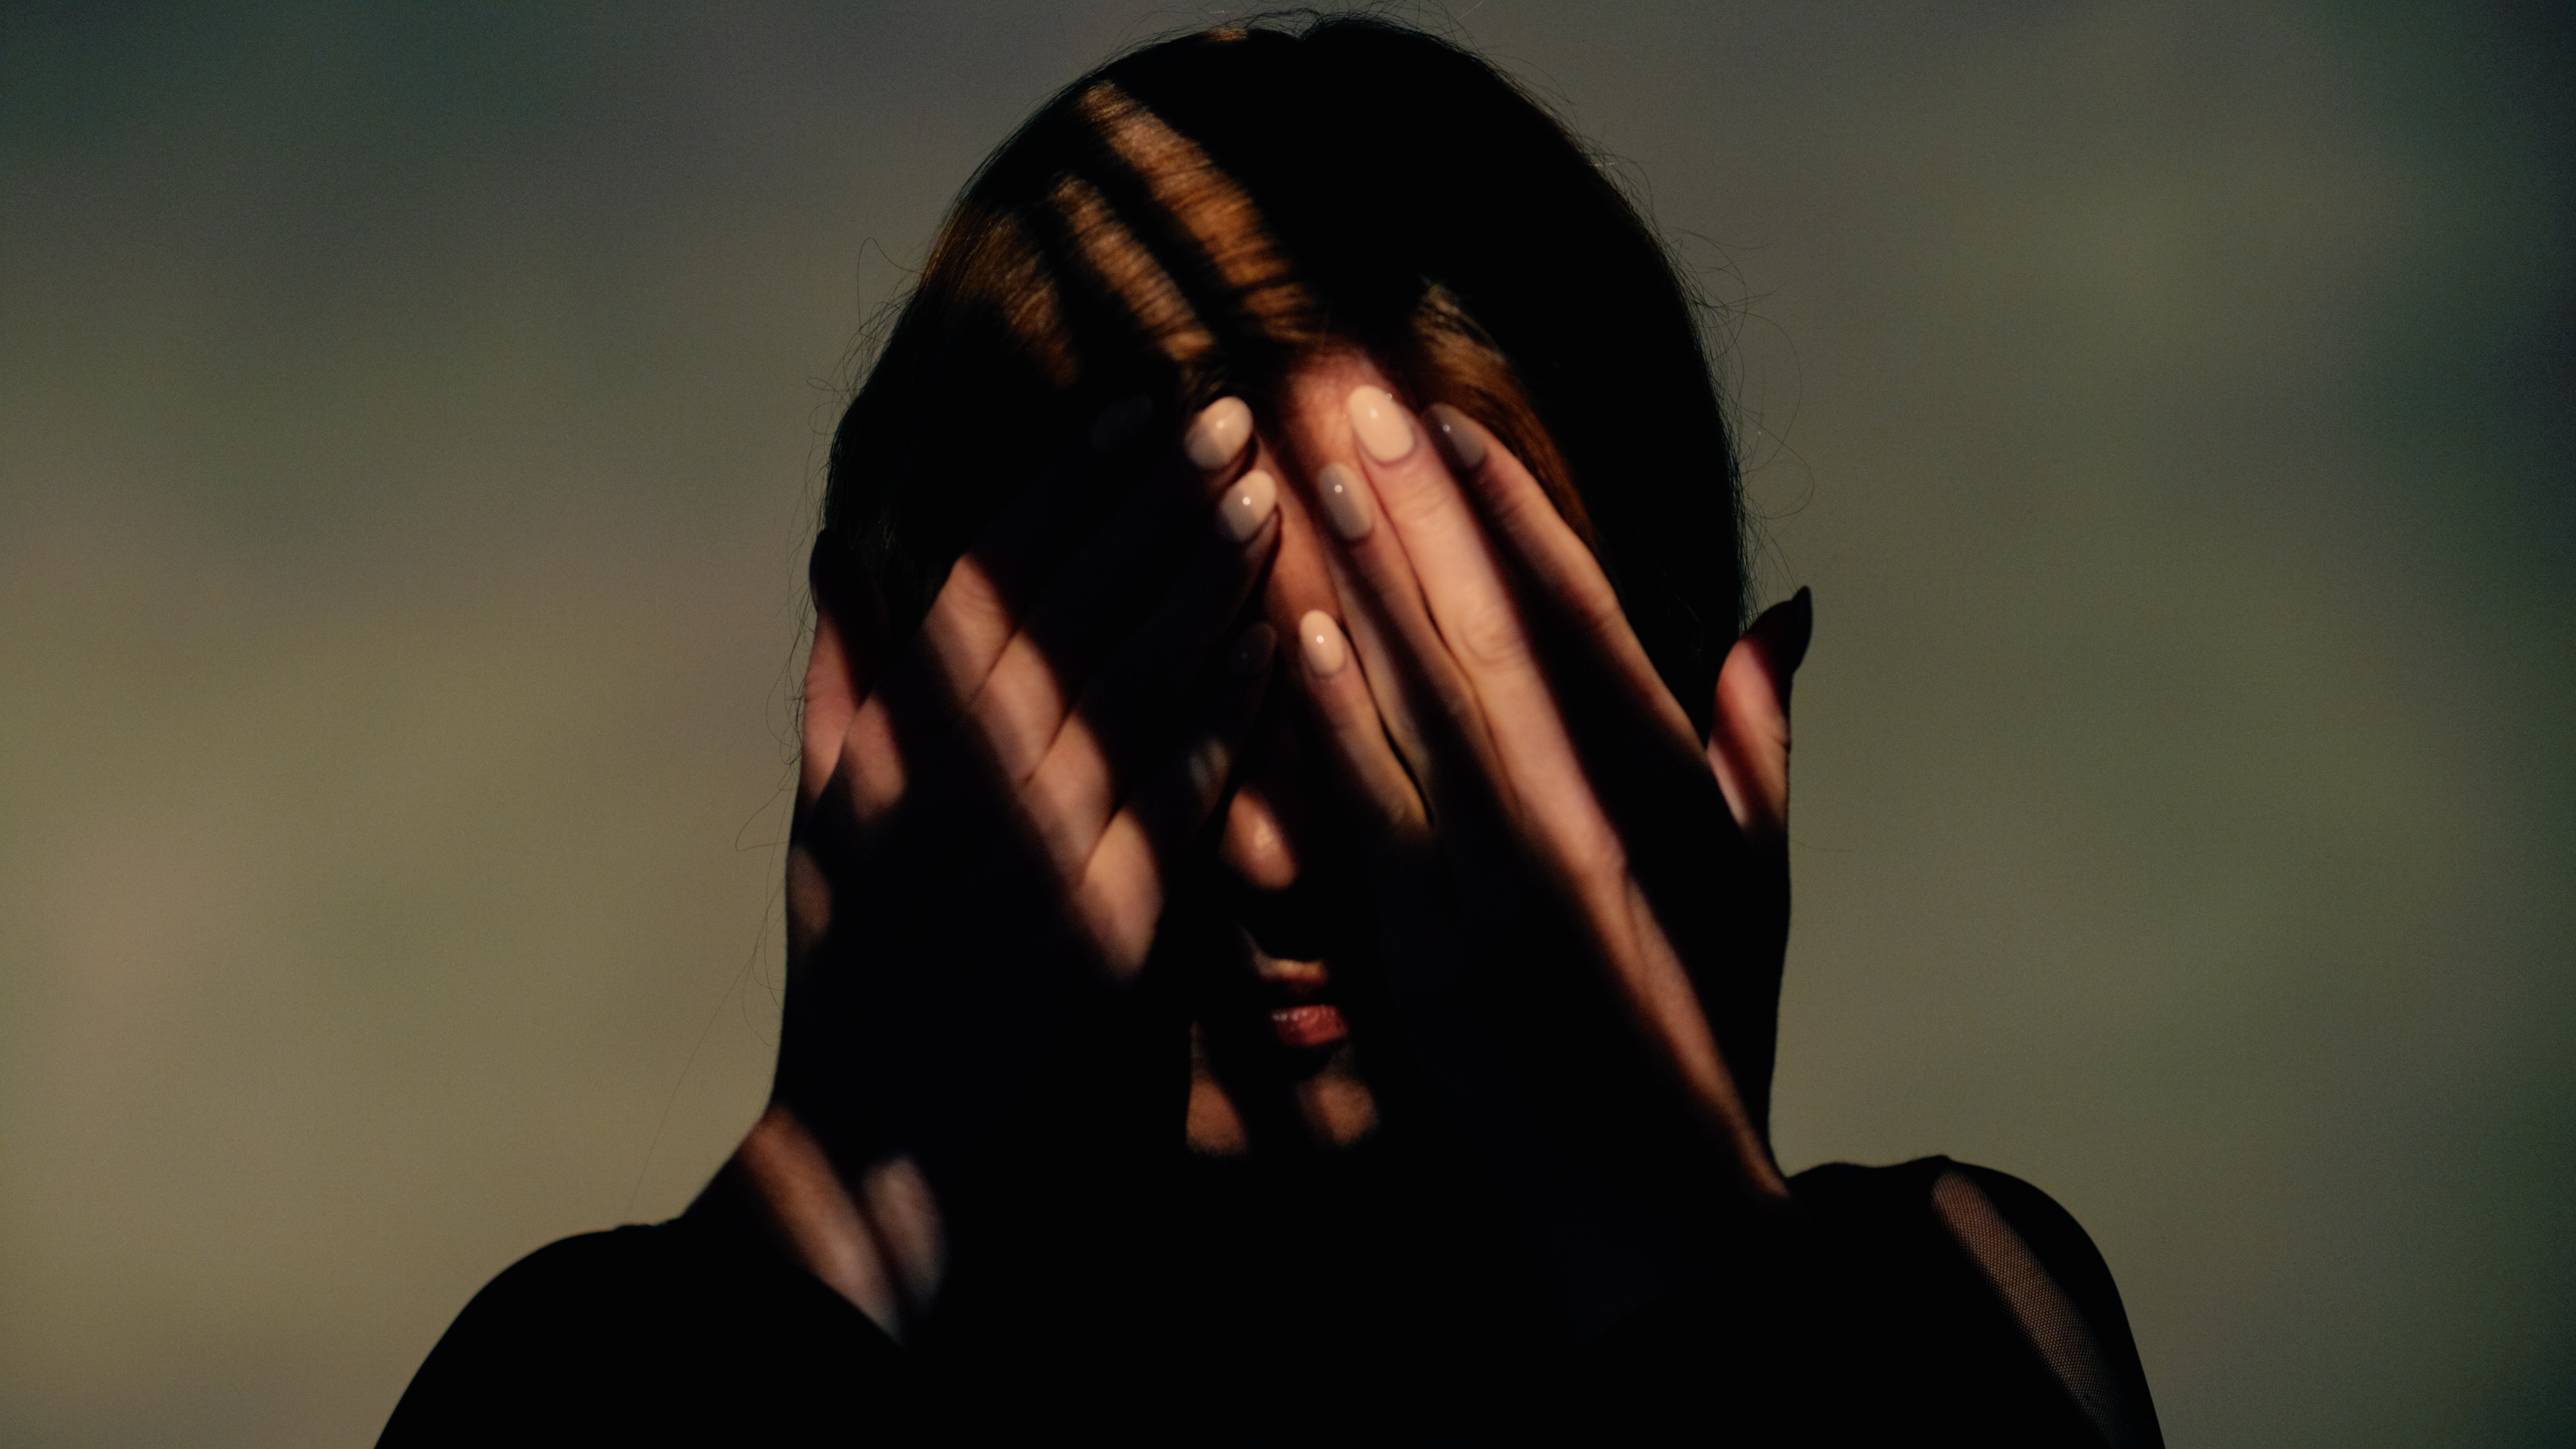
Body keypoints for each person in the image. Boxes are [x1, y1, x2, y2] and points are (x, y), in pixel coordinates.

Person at [381, 16, 2162, 1445]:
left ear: (1697, 719)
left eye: (1410, 713)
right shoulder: (612, 1370)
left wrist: (1672, 1224)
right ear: (878, 696)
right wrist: (840, 1200)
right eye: (1181, 680)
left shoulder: (1963, 1309)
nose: (1270, 850)